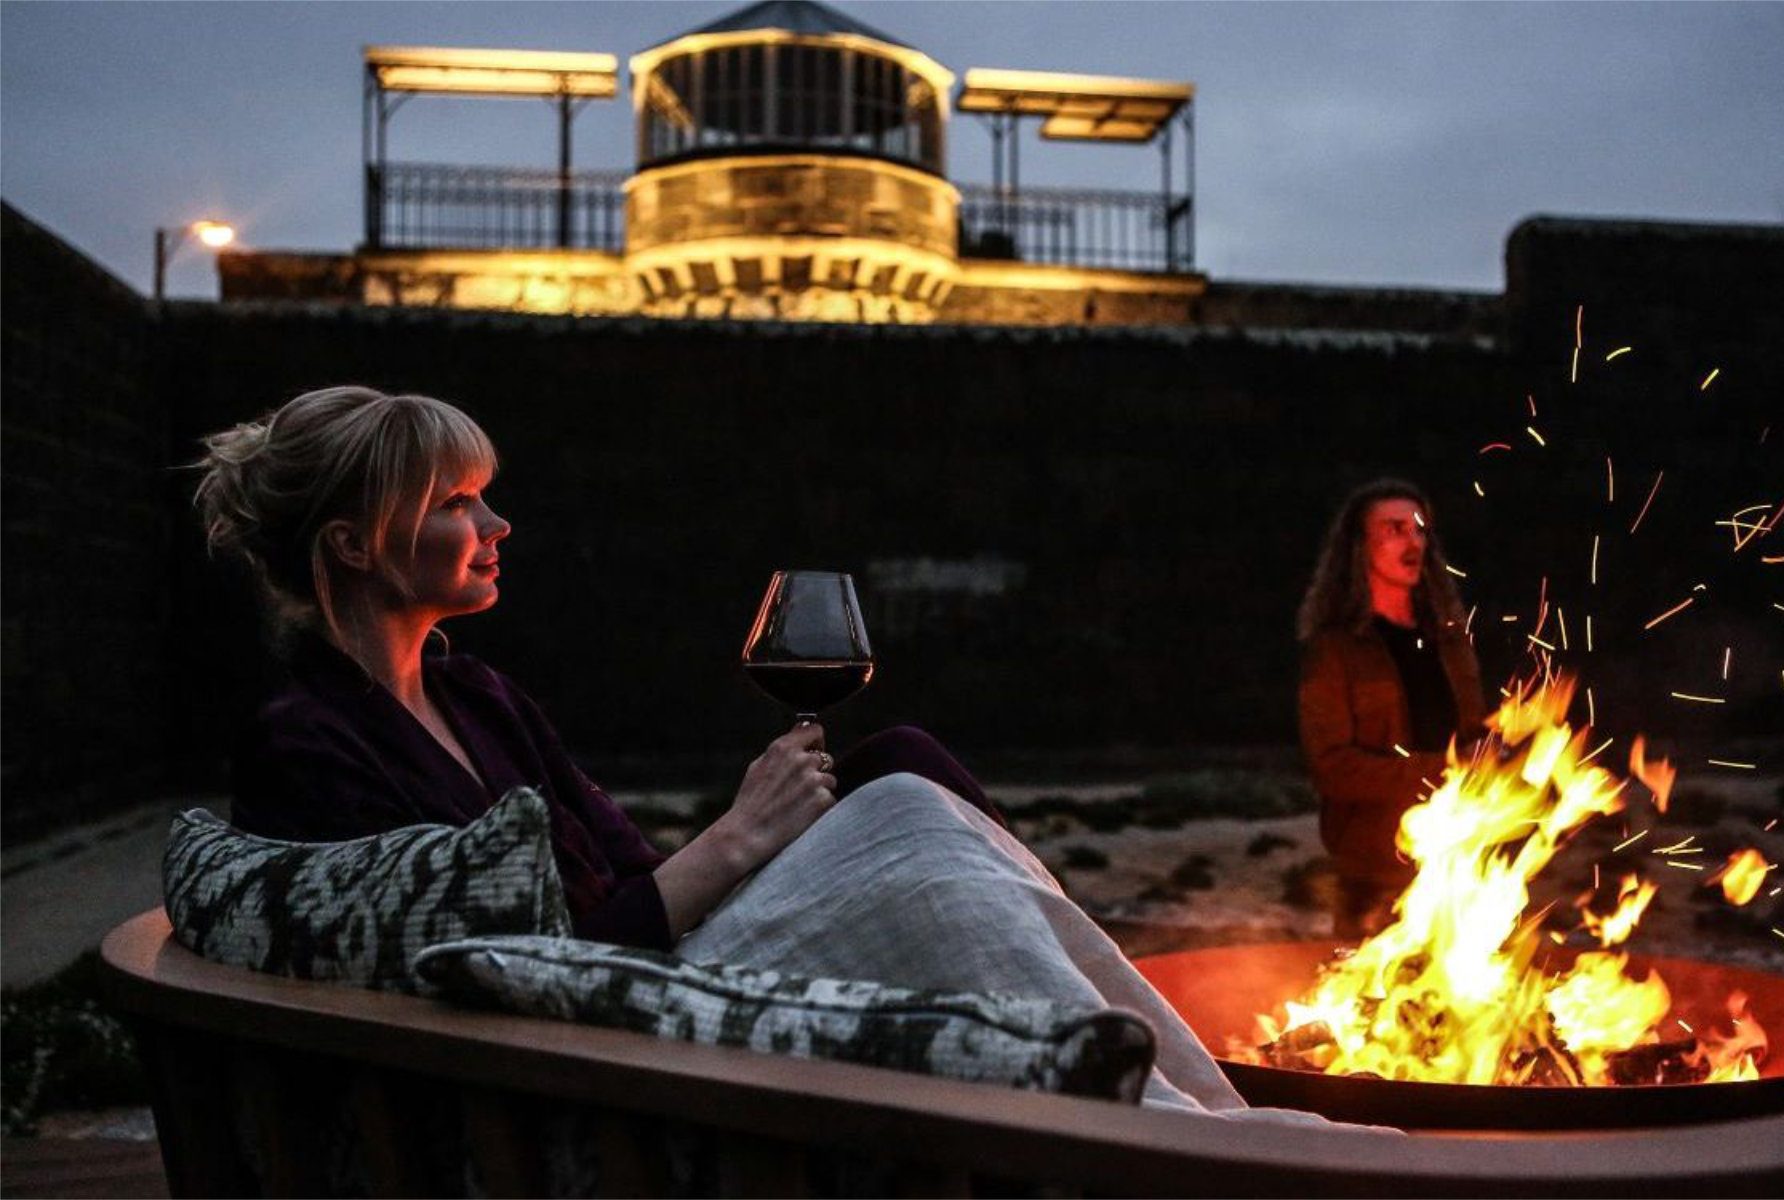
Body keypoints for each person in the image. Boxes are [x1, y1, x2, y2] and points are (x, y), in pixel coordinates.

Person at [191, 385, 1335, 1124]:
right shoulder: (309, 747)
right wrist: (745, 836)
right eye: (458, 504)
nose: (497, 529)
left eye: (488, 500)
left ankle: (1182, 1093)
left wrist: (751, 843)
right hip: (590, 1038)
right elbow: (516, 973)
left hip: (636, 965)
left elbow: (620, 858)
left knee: (895, 763)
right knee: (914, 828)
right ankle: (1182, 1121)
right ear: (351, 544)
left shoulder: (471, 690)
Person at [1296, 479, 1485, 940]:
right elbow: (1333, 768)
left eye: (1420, 530)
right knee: (1372, 1005)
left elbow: (1475, 734)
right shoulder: (1335, 650)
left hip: (1460, 860)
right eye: (1395, 529)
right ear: (1360, 547)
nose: (1413, 541)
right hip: (1374, 872)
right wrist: (1440, 769)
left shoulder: (1449, 640)